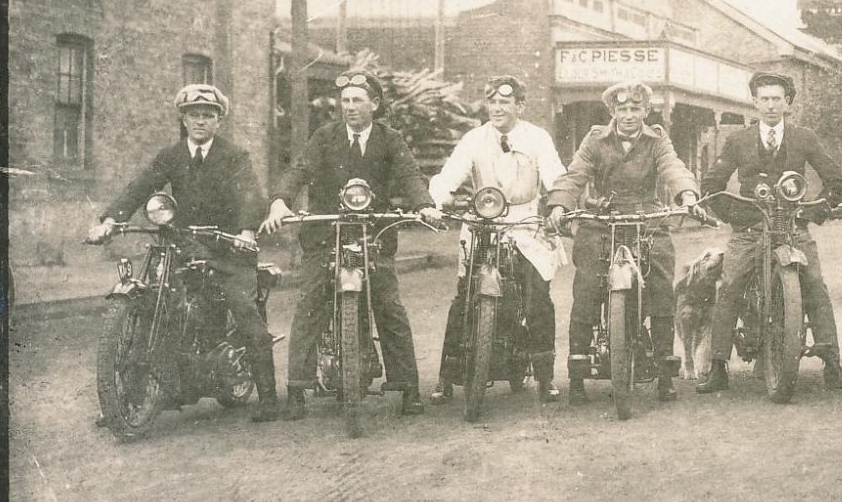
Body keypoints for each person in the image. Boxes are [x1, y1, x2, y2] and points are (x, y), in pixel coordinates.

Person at [87, 85, 279, 421]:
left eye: (208, 115)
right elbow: (139, 187)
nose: (201, 121)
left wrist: (247, 230)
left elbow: (251, 195)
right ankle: (122, 402)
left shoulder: (235, 157)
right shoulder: (171, 156)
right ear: (183, 118)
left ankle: (269, 400)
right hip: (182, 245)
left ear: (219, 120)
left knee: (244, 309)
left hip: (228, 247)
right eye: (194, 115)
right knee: (155, 305)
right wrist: (109, 221)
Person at [260, 70, 441, 417]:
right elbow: (298, 170)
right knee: (310, 302)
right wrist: (281, 200)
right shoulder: (324, 138)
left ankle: (407, 388)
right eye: (345, 101)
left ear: (375, 104)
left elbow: (409, 176)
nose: (350, 107)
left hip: (374, 234)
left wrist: (425, 206)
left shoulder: (390, 140)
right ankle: (297, 390)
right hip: (326, 234)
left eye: (358, 100)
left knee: (389, 306)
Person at [695, 71, 842, 393]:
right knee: (730, 285)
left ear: (788, 102)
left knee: (814, 285)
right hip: (750, 229)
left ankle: (832, 363)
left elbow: (837, 182)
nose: (770, 105)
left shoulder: (804, 137)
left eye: (776, 99)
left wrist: (812, 212)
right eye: (764, 99)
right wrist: (735, 217)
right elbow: (712, 184)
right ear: (754, 102)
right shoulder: (738, 140)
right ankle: (717, 367)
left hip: (792, 228)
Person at [546, 81, 701, 404]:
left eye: (635, 109)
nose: (629, 115)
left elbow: (672, 167)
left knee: (660, 284)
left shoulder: (657, 140)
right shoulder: (595, 139)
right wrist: (560, 204)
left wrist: (686, 195)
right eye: (622, 109)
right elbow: (576, 174)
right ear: (612, 112)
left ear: (646, 111)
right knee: (586, 287)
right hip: (602, 220)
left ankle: (664, 373)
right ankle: (577, 374)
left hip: (646, 219)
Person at [428, 75, 567, 403]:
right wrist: (435, 202)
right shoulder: (474, 139)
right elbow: (449, 176)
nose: (497, 107)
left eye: (505, 102)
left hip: (525, 222)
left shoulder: (538, 138)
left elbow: (556, 175)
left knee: (536, 296)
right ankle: (446, 377)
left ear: (520, 105)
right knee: (464, 297)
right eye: (492, 101)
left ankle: (545, 375)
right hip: (483, 222)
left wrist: (559, 203)